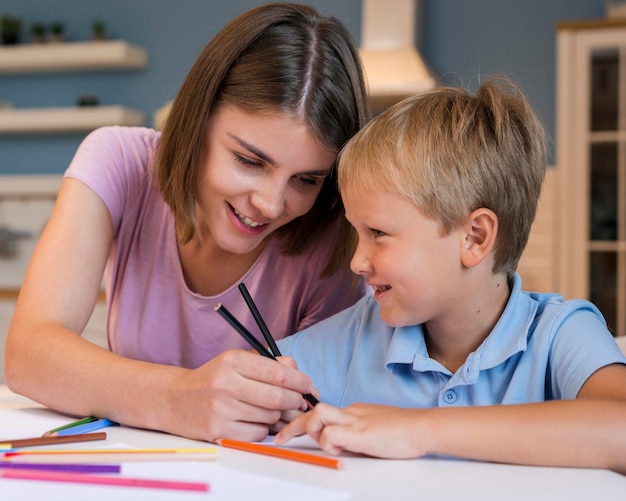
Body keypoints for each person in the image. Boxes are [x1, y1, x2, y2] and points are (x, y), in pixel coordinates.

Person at [4, 3, 369, 442]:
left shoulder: (335, 240)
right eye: (250, 161)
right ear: (199, 119)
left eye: (306, 180)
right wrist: (178, 396)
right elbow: (28, 355)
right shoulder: (119, 162)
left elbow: (314, 416)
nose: (271, 205)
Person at [272, 77, 626, 474]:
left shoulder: (559, 334)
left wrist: (415, 430)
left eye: (378, 233)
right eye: (357, 233)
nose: (357, 261)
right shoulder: (355, 336)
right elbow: (248, 387)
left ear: (474, 238)